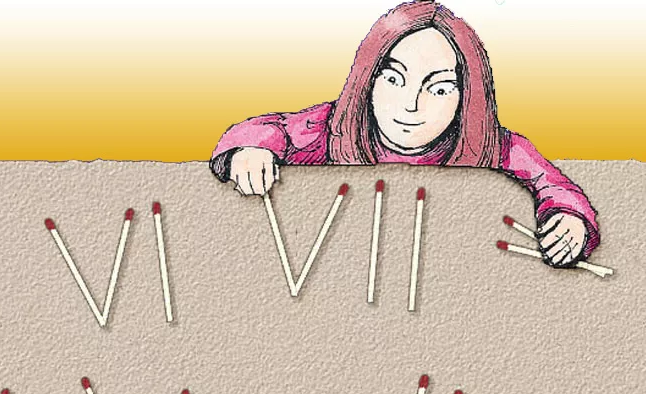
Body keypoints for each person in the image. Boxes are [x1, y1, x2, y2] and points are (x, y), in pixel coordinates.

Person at [208, 0, 599, 267]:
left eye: (439, 88)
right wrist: (251, 150)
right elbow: (271, 129)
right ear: (368, 79)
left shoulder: (492, 143)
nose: (411, 105)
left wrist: (571, 220)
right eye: (394, 79)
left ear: (468, 95)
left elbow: (551, 182)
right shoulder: (334, 126)